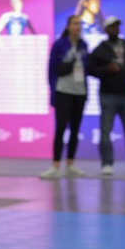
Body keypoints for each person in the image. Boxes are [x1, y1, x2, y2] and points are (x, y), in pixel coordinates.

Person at [88, 16, 125, 176]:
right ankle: (107, 162)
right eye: (112, 27)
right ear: (106, 29)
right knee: (105, 130)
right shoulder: (101, 48)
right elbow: (90, 69)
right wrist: (106, 69)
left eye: (117, 26)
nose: (115, 30)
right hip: (107, 95)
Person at [40, 15, 89, 179]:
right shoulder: (60, 44)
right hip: (63, 91)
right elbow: (51, 68)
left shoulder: (83, 45)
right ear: (68, 26)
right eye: (75, 24)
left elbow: (86, 69)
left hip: (79, 92)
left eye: (80, 24)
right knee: (61, 128)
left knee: (75, 129)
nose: (78, 27)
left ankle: (70, 163)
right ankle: (55, 165)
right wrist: (52, 89)